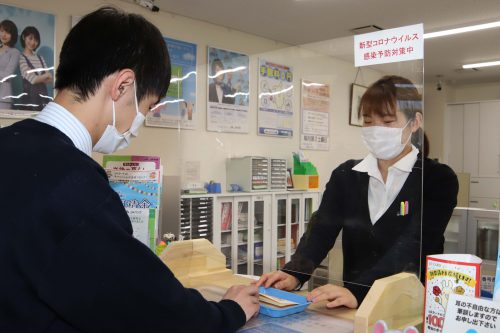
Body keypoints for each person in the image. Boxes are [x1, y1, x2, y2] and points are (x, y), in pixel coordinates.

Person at [0, 7, 258, 333]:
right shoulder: (74, 185)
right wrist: (230, 311)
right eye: (147, 108)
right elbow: (152, 309)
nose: (140, 123)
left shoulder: (11, 146)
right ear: (122, 86)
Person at [257, 75, 458, 310]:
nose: (376, 130)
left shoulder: (437, 179)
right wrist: (294, 272)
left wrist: (358, 290)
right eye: (368, 121)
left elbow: (414, 244)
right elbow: (322, 229)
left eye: (387, 121)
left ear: (414, 123)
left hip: (410, 304)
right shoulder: (347, 175)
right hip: (353, 304)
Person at [19, 26, 53, 111]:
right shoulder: (21, 58)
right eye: (30, 38)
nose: (33, 42)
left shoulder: (40, 57)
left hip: (43, 99)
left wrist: (41, 78)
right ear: (24, 37)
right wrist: (46, 75)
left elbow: (50, 79)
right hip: (29, 100)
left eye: (36, 40)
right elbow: (33, 80)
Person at [0, 19, 20, 110]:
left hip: (3, 98)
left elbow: (7, 76)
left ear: (13, 35)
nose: (3, 35)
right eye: (2, 31)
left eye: (7, 32)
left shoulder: (15, 52)